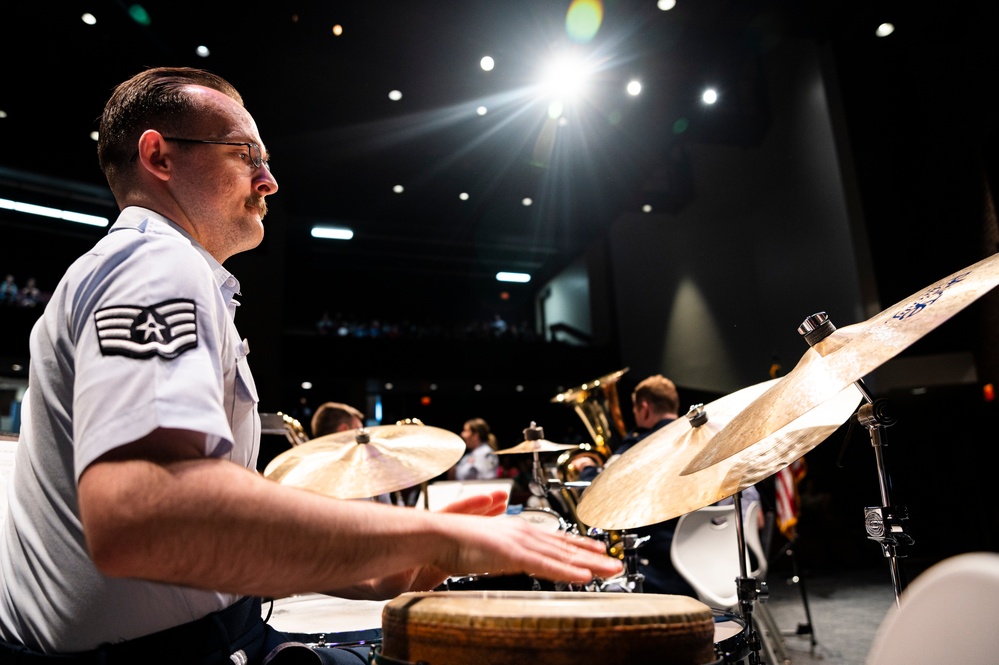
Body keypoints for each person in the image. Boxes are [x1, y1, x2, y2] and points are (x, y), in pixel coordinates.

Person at [0, 66, 621, 665]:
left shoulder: (150, 267)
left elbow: (194, 546)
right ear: (160, 157)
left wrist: (389, 567)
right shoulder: (155, 263)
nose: (268, 181)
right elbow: (146, 516)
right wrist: (437, 536)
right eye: (245, 154)